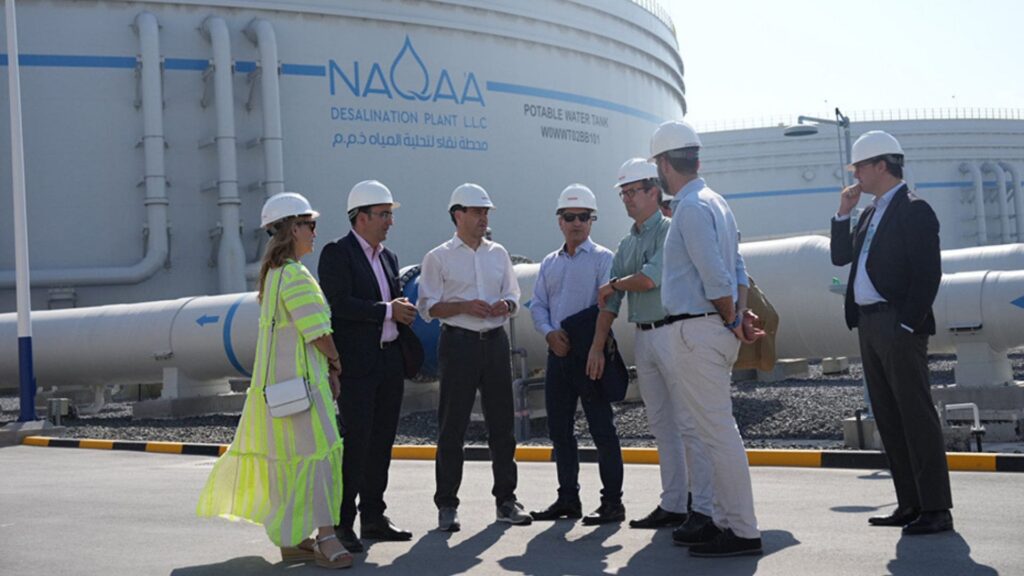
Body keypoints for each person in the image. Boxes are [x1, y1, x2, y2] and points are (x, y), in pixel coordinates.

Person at [197, 192, 352, 570]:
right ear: (292, 229)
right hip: (305, 389)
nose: (315, 232)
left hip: (279, 392)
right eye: (310, 225)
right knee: (321, 458)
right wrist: (336, 361)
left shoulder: (273, 275)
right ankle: (327, 538)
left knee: (290, 461)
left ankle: (293, 540)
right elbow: (317, 331)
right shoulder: (296, 275)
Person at [830, 130, 952, 535]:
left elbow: (928, 275)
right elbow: (840, 257)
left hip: (898, 324)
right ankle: (909, 503)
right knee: (889, 415)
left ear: (881, 165)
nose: (855, 176)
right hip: (869, 324)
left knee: (915, 415)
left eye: (860, 167)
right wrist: (843, 213)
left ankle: (936, 508)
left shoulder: (915, 210)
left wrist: (905, 324)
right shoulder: (867, 213)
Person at [653, 119, 764, 557]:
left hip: (697, 328)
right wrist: (735, 317)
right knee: (712, 430)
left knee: (716, 433)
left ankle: (741, 529)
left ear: (664, 164)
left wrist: (731, 316)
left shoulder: (691, 208)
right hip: (712, 326)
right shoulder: (716, 202)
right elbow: (737, 269)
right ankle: (723, 520)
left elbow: (716, 277)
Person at [589, 158, 714, 531]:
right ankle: (674, 503)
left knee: (690, 422)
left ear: (653, 191)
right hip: (644, 336)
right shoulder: (627, 243)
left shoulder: (671, 231)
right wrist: (597, 346)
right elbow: (609, 303)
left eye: (633, 191)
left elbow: (648, 280)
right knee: (661, 424)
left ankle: (703, 506)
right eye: (623, 193)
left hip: (674, 332)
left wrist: (614, 284)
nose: (627, 199)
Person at [417, 183, 532, 531]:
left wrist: (506, 305)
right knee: (452, 427)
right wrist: (465, 306)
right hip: (459, 344)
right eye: (477, 212)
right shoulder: (437, 257)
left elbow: (513, 293)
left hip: (495, 343)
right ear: (458, 215)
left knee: (502, 427)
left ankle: (506, 501)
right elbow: (427, 307)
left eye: (486, 212)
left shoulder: (498, 253)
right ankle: (447, 506)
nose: (484, 218)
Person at [318, 180, 418, 553]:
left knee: (382, 442)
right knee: (355, 443)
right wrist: (388, 310)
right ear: (361, 217)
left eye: (391, 214)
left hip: (388, 361)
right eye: (383, 214)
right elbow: (340, 304)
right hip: (358, 367)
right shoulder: (336, 254)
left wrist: (399, 308)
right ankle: (343, 523)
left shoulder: (389, 258)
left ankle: (374, 517)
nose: (390, 221)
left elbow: (385, 302)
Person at [529, 184, 625, 525]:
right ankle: (568, 499)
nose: (577, 223)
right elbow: (538, 304)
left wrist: (596, 348)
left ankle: (612, 503)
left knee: (602, 430)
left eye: (584, 217)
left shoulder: (603, 259)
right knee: (560, 430)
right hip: (559, 355)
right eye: (570, 217)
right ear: (559, 221)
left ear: (592, 220)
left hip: (591, 355)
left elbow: (607, 305)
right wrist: (549, 332)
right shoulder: (549, 263)